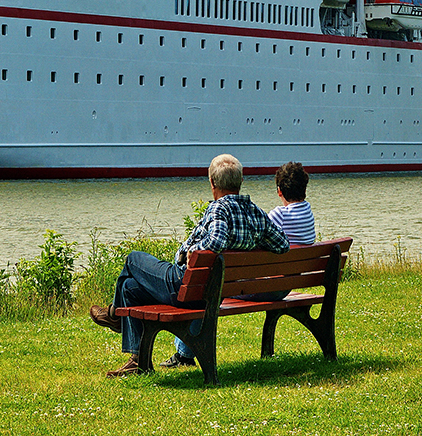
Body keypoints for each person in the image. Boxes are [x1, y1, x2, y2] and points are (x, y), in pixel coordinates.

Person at [89, 154, 289, 378]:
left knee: (134, 258)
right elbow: (282, 244)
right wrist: (248, 244)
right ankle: (137, 360)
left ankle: (115, 315)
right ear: (241, 182)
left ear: (212, 183)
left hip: (185, 286)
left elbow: (216, 240)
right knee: (128, 287)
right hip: (211, 291)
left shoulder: (218, 209)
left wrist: (188, 252)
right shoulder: (255, 213)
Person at [163, 161, 317, 370]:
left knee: (209, 289)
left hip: (259, 288)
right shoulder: (307, 212)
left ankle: (184, 354)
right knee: (212, 286)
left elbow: (222, 241)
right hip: (284, 286)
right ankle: (184, 353)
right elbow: (280, 244)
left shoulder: (277, 215)